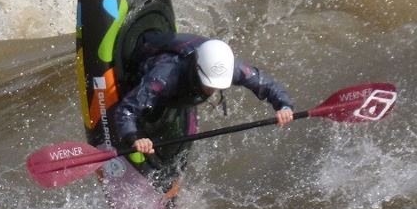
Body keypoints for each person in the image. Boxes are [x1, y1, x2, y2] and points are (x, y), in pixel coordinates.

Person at [113, 32, 294, 165]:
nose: (212, 90)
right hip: (145, 66)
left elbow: (266, 84)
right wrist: (134, 137)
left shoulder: (229, 67)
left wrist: (284, 106)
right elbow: (126, 110)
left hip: (183, 82)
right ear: (196, 69)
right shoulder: (164, 76)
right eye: (208, 84)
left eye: (216, 86)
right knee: (145, 104)